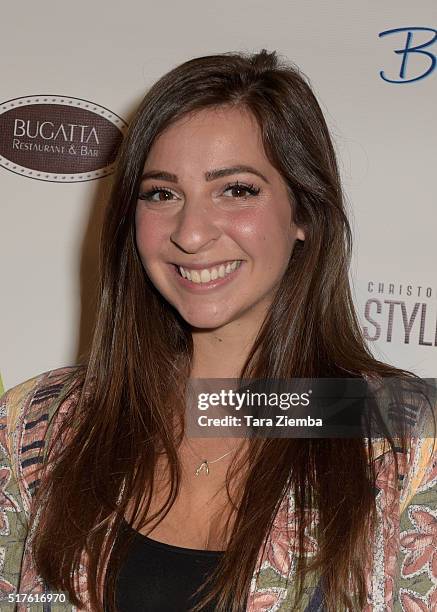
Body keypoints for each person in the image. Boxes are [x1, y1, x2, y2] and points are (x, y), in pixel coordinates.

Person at [0, 49, 435, 612]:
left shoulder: (397, 435)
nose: (192, 233)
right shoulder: (40, 424)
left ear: (304, 212)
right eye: (162, 193)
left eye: (236, 190)